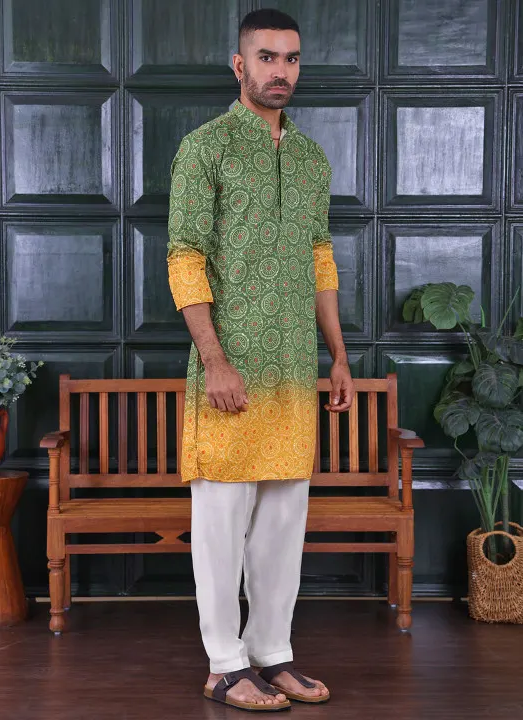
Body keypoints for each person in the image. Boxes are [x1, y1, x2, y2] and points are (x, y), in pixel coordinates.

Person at [167, 8, 355, 712]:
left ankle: (272, 653)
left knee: (282, 523)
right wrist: (214, 359)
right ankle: (224, 665)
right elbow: (184, 256)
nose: (281, 71)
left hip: (293, 371)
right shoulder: (204, 149)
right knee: (221, 523)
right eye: (267, 57)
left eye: (292, 58)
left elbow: (319, 259)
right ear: (239, 65)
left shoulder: (309, 158)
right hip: (230, 370)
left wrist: (338, 357)